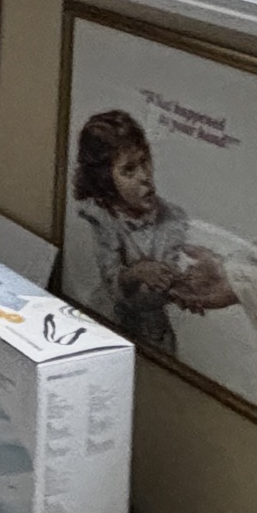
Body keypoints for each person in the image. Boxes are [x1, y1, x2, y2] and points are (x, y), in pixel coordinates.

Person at [67, 109, 242, 355]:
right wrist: (137, 272)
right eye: (129, 170)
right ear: (105, 179)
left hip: (155, 332)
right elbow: (111, 281)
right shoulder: (101, 219)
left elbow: (170, 269)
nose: (145, 177)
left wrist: (183, 285)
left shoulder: (172, 218)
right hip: (109, 325)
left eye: (145, 161)